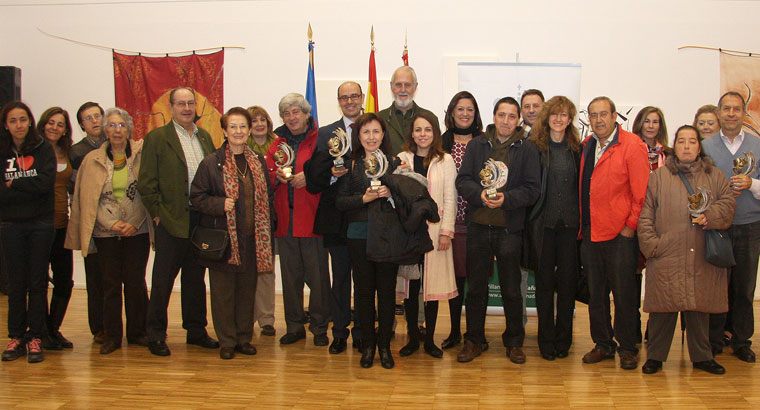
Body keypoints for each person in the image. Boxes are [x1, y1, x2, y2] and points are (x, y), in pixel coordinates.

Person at [638, 124, 735, 375]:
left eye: (692, 142)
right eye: (681, 141)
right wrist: (652, 247)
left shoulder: (714, 175)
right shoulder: (659, 177)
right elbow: (646, 215)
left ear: (699, 146)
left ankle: (702, 357)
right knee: (663, 309)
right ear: (675, 146)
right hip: (667, 253)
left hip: (701, 252)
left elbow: (727, 204)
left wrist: (709, 216)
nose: (687, 146)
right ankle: (656, 357)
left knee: (698, 307)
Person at [455, 97, 541, 364]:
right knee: (477, 288)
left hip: (509, 229)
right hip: (479, 226)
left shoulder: (526, 149)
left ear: (518, 120)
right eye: (501, 115)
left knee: (512, 290)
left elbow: (532, 188)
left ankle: (514, 341)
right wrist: (480, 195)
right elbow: (463, 180)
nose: (506, 121)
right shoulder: (478, 145)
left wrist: (508, 199)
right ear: (493, 117)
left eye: (511, 116)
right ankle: (474, 340)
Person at [138, 86, 219, 356]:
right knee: (162, 281)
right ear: (171, 108)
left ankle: (196, 331)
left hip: (200, 221)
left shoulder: (205, 137)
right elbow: (147, 184)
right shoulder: (157, 138)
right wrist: (159, 214)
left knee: (196, 280)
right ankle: (156, 334)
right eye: (180, 104)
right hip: (171, 219)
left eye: (190, 104)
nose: (186, 108)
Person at [191, 107, 275, 360]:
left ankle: (243, 338)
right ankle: (226, 340)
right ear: (225, 131)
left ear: (249, 130)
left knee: (247, 291)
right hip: (225, 240)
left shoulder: (257, 161)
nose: (238, 131)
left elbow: (267, 198)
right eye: (233, 127)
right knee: (223, 293)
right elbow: (197, 197)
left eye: (242, 126)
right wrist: (219, 204)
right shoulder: (211, 163)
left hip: (252, 240)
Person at [66, 107, 151, 354]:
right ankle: (112, 335)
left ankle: (138, 332)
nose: (117, 130)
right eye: (112, 125)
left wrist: (134, 222)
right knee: (110, 284)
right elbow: (88, 198)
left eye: (121, 125)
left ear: (129, 129)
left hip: (137, 230)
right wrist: (111, 223)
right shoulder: (92, 160)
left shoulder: (141, 156)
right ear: (105, 130)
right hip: (105, 233)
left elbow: (148, 192)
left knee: (135, 282)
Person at [579, 96, 649, 370]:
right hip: (591, 234)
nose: (598, 120)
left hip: (621, 235)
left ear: (614, 116)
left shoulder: (632, 145)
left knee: (624, 295)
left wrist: (630, 226)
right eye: (594, 115)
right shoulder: (587, 145)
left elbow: (641, 193)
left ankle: (628, 347)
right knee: (596, 295)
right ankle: (604, 344)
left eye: (603, 114)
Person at [266, 93, 330, 347]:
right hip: (286, 218)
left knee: (318, 278)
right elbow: (268, 171)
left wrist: (309, 178)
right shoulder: (277, 143)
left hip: (312, 217)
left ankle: (320, 326)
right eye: (286, 113)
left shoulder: (319, 140)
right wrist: (276, 176)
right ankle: (294, 326)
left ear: (306, 114)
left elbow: (326, 173)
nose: (291, 117)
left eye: (296, 112)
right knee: (290, 277)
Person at [335, 112, 399, 369]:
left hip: (387, 236)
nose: (371, 137)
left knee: (386, 292)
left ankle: (384, 346)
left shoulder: (394, 164)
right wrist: (364, 199)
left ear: (383, 135)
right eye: (365, 132)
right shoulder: (350, 166)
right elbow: (340, 202)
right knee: (363, 292)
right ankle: (368, 345)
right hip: (358, 235)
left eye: (376, 132)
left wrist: (390, 192)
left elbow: (406, 201)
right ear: (358, 137)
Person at [703, 91, 760, 363]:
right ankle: (714, 340)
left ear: (743, 112)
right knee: (716, 286)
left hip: (750, 225)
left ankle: (741, 341)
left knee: (744, 288)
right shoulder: (706, 146)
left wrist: (752, 184)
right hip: (717, 227)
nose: (731, 114)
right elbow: (698, 188)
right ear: (718, 112)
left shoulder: (757, 145)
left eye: (736, 109)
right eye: (726, 109)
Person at [397, 111, 458, 358]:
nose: (423, 135)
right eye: (418, 130)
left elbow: (450, 199)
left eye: (428, 130)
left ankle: (430, 339)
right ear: (412, 133)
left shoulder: (446, 160)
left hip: (435, 231)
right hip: (408, 233)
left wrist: (446, 232)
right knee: (411, 286)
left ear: (435, 133)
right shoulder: (401, 159)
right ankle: (413, 338)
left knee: (431, 288)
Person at [310, 81, 364, 354]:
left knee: (366, 280)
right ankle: (340, 332)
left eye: (354, 96)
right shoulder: (325, 134)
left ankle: (365, 331)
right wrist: (332, 173)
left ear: (362, 97)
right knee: (340, 278)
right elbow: (313, 179)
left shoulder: (373, 129)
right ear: (339, 101)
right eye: (345, 97)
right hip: (337, 219)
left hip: (367, 217)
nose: (350, 101)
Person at [0, 101, 56, 363]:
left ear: (30, 121)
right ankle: (16, 336)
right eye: (13, 120)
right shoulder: (2, 151)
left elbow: (45, 183)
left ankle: (35, 336)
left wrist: (14, 183)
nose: (19, 125)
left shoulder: (42, 148)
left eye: (23, 119)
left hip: (40, 224)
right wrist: (22, 185)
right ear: (5, 125)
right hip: (10, 224)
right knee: (15, 284)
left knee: (37, 282)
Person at [527, 96, 581, 361]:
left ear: (570, 119)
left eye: (565, 115)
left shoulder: (577, 149)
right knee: (545, 286)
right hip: (543, 227)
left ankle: (564, 340)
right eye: (555, 115)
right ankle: (546, 340)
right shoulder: (534, 148)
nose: (559, 119)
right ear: (546, 118)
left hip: (570, 228)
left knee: (568, 285)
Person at [440, 91, 484, 350]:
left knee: (475, 280)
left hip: (477, 219)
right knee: (455, 280)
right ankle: (455, 331)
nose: (465, 114)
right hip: (449, 221)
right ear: (452, 112)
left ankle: (474, 334)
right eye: (460, 109)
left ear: (475, 114)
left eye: (469, 109)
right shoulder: (441, 142)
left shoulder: (484, 142)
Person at [37, 107, 75, 350]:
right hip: (39, 224)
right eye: (51, 122)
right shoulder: (33, 151)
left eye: (59, 124)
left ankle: (53, 329)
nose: (54, 127)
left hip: (63, 223)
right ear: (43, 124)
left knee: (64, 281)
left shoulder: (67, 152)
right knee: (39, 282)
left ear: (65, 130)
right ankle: (40, 333)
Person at [70, 101, 107, 344]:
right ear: (82, 125)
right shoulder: (77, 152)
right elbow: (78, 190)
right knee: (95, 278)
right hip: (91, 221)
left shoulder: (118, 143)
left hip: (118, 223)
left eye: (97, 116)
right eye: (88, 118)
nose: (94, 121)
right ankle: (99, 328)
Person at [246, 105, 278, 337]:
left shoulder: (280, 146)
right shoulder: (238, 147)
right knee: (247, 270)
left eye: (262, 119)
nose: (258, 124)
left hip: (274, 217)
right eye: (253, 120)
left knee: (266, 270)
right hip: (247, 217)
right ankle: (245, 317)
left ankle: (266, 319)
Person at [378, 66, 439, 155]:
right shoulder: (379, 118)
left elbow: (435, 152)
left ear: (415, 86)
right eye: (398, 85)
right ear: (391, 86)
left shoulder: (430, 118)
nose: (403, 90)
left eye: (407, 85)